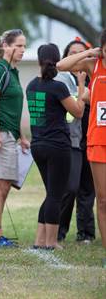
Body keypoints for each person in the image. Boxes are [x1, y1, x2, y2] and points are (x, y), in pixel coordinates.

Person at [28, 43, 85, 249]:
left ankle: (39, 240)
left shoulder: (32, 85)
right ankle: (51, 242)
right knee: (56, 195)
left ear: (39, 60)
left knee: (51, 192)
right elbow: (77, 111)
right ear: (59, 59)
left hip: (37, 145)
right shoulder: (58, 86)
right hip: (58, 146)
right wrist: (80, 84)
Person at [56, 29, 106, 264]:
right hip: (98, 140)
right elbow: (61, 65)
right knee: (103, 200)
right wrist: (88, 52)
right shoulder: (92, 65)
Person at [0, 29, 30, 247]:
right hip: (1, 135)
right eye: (18, 45)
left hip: (11, 135)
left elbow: (15, 107)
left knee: (5, 186)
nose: (22, 50)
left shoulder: (14, 72)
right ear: (6, 46)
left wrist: (21, 136)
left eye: (24, 46)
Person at [55, 38, 96, 243]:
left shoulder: (94, 76)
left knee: (88, 189)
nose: (79, 56)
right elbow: (73, 112)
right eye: (73, 53)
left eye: (83, 52)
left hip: (92, 137)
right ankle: (59, 230)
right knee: (70, 187)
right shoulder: (61, 79)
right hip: (71, 139)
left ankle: (86, 233)